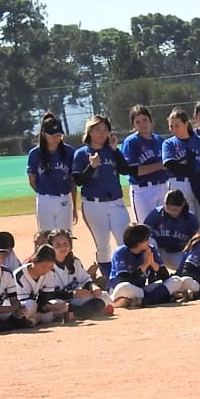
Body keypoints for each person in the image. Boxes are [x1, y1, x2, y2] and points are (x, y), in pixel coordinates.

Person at [71, 115, 131, 277]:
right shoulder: (82, 153)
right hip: (94, 204)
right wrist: (91, 167)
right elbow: (78, 180)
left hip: (116, 202)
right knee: (103, 244)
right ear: (89, 131)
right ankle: (109, 278)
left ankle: (126, 273)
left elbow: (126, 170)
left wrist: (115, 150)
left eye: (105, 130)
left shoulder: (110, 151)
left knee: (125, 240)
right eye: (97, 130)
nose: (101, 133)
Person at [108, 222, 196, 307]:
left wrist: (153, 264)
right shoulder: (120, 253)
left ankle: (145, 301)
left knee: (175, 280)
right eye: (146, 239)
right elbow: (125, 279)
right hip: (121, 291)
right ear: (138, 242)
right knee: (124, 287)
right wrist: (145, 265)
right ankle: (160, 298)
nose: (149, 241)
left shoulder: (150, 250)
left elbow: (165, 277)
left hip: (141, 291)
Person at [161, 107, 200, 219]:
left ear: (186, 124)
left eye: (177, 125)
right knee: (184, 221)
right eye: (171, 126)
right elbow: (171, 165)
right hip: (180, 185)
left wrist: (188, 165)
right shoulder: (169, 143)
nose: (174, 129)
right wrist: (196, 167)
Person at [26, 113, 78, 232]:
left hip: (64, 198)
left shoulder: (68, 152)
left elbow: (72, 182)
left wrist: (74, 206)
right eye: (52, 135)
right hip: (44, 199)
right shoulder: (35, 154)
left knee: (66, 236)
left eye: (59, 135)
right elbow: (32, 181)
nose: (56, 138)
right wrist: (44, 194)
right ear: (44, 134)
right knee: (46, 237)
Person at [121, 104, 171, 226]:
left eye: (145, 120)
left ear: (151, 120)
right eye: (137, 122)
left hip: (163, 186)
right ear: (133, 125)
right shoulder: (131, 142)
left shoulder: (160, 140)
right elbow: (134, 170)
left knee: (164, 226)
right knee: (145, 227)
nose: (142, 124)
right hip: (143, 190)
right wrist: (159, 165)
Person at [46, 229, 113, 318]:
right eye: (58, 245)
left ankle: (75, 314)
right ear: (51, 247)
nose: (63, 248)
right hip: (59, 300)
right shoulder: (46, 266)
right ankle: (90, 310)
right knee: (57, 305)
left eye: (65, 244)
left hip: (75, 300)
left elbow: (86, 280)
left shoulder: (75, 262)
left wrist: (94, 287)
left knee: (104, 295)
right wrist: (72, 294)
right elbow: (47, 295)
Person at [14, 244, 73, 325]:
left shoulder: (50, 273)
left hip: (37, 307)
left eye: (49, 267)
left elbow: (45, 298)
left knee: (61, 304)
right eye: (43, 267)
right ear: (34, 261)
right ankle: (30, 320)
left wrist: (51, 306)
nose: (46, 270)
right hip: (20, 308)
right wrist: (47, 307)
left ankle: (34, 320)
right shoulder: (19, 275)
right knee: (31, 305)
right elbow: (19, 302)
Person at [143, 189, 199, 271]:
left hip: (178, 254)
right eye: (168, 208)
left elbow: (195, 242)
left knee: (194, 250)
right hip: (159, 253)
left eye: (175, 210)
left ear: (182, 205)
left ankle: (182, 274)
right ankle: (152, 273)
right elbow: (143, 233)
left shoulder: (191, 219)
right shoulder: (156, 213)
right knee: (148, 241)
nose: (171, 212)